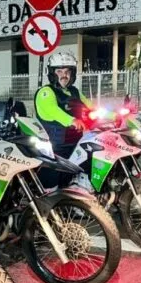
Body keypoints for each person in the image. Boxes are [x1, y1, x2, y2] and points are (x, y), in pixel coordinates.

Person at [34, 51, 90, 191]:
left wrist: (116, 115)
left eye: (67, 71)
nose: (64, 75)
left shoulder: (75, 92)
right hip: (55, 147)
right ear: (52, 73)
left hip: (76, 143)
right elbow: (54, 111)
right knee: (52, 186)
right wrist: (72, 120)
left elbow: (92, 107)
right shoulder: (45, 92)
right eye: (59, 71)